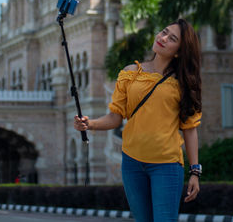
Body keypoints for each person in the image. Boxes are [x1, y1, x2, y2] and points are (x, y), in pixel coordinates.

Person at [74, 18, 202, 222]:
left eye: (172, 38)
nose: (163, 38)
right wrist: (90, 124)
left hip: (166, 165)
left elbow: (189, 128)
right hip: (132, 163)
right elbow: (115, 117)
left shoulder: (183, 83)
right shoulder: (129, 73)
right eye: (163, 32)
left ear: (179, 50)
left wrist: (195, 171)